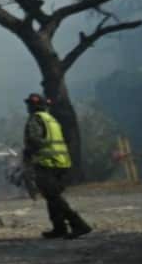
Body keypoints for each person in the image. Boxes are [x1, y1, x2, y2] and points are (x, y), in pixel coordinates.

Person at [23, 93, 91, 239]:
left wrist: (27, 154)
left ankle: (78, 224)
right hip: (61, 162)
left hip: (47, 163)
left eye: (30, 104)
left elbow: (35, 140)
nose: (28, 107)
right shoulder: (51, 119)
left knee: (53, 196)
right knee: (51, 195)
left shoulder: (35, 119)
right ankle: (59, 227)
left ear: (34, 106)